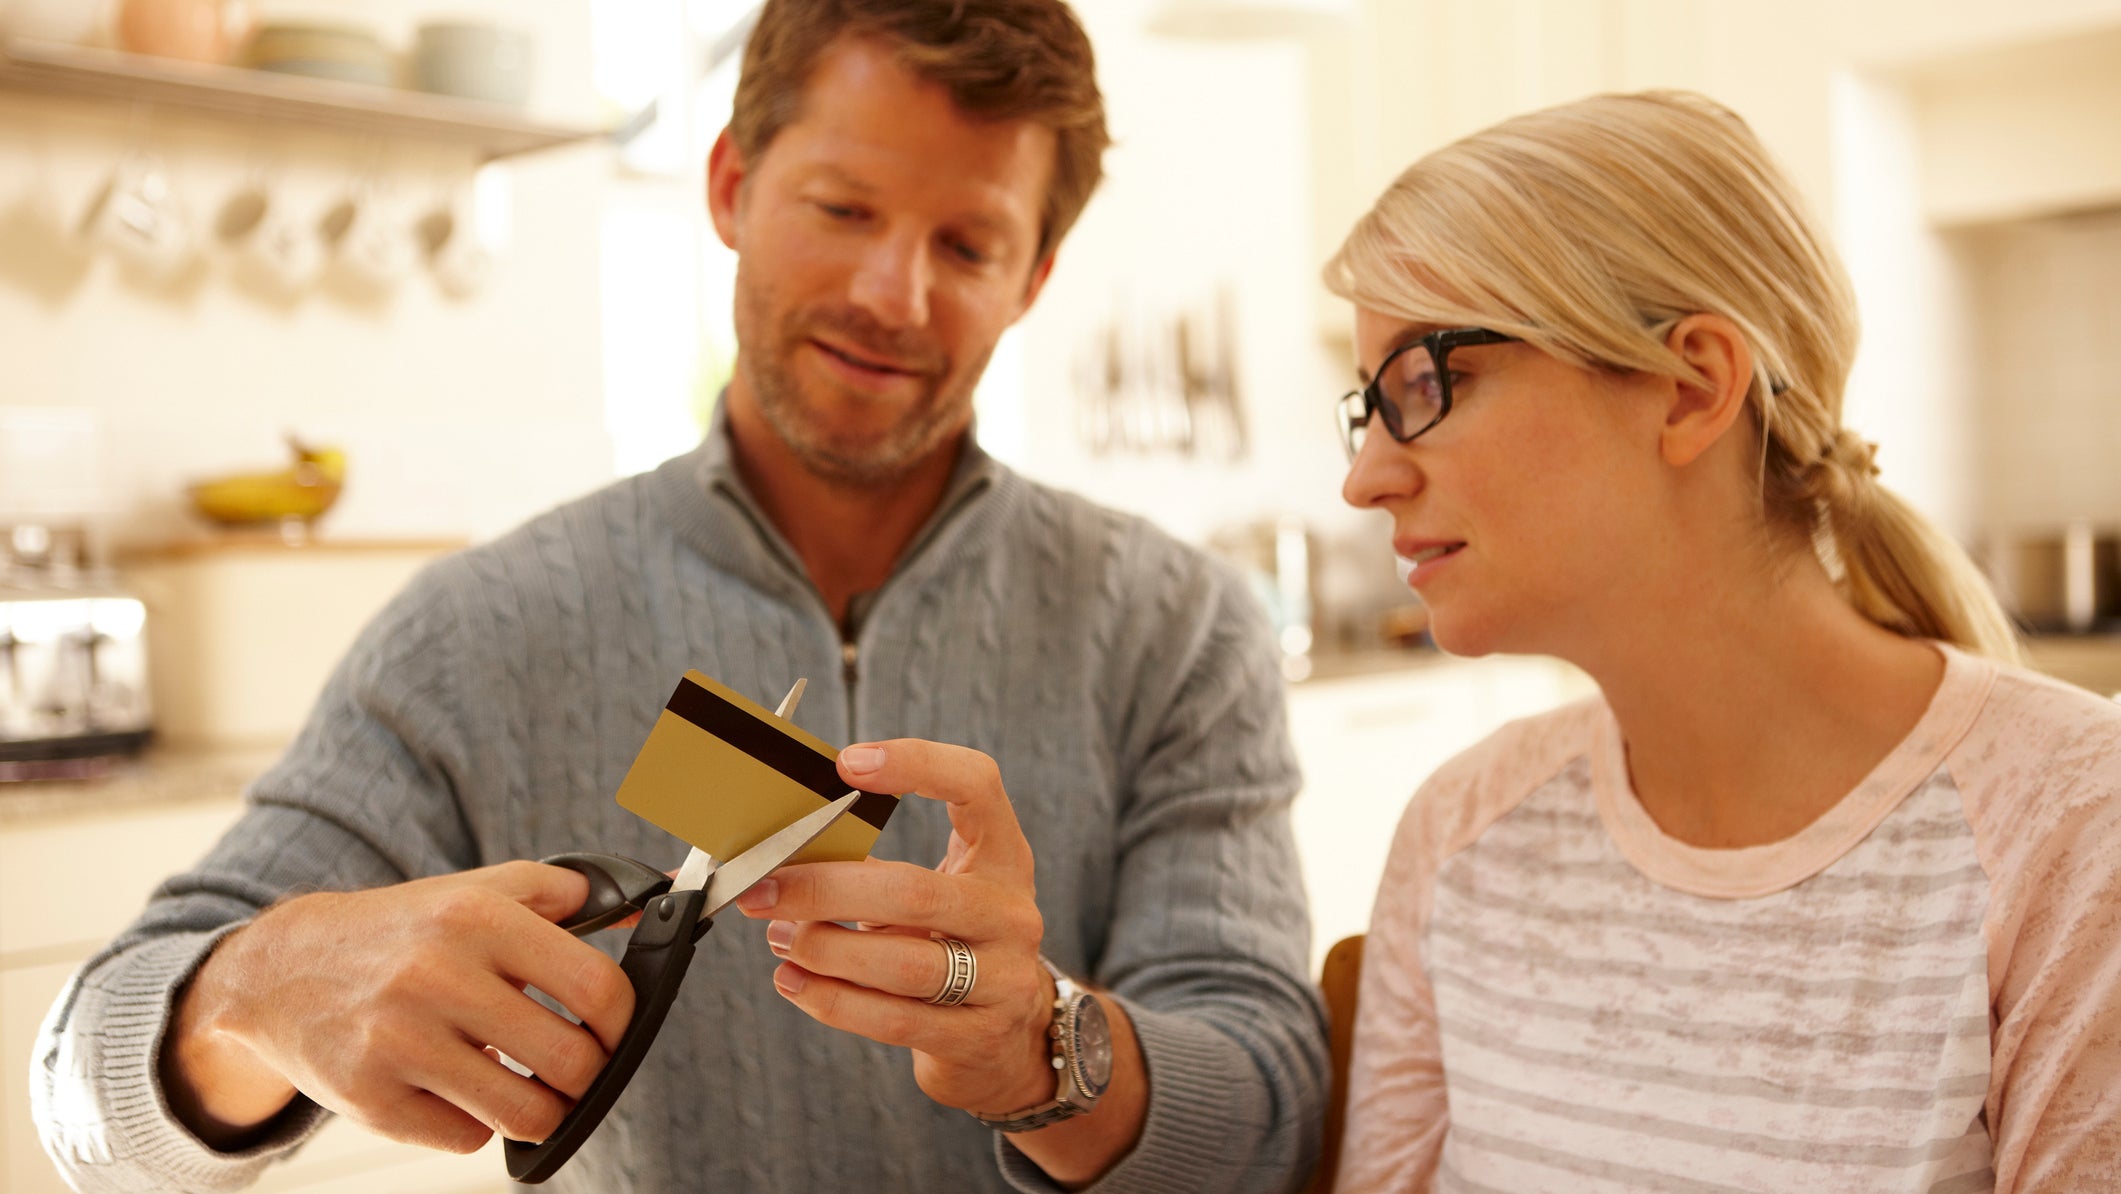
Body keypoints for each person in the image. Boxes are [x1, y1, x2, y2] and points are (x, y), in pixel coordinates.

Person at [31, 2, 1328, 1191]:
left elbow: (1276, 1118)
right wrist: (252, 987)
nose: (892, 294)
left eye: (967, 243)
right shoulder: (482, 630)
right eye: (843, 208)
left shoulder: (1179, 630)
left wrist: (1048, 1046)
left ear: (1033, 276)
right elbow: (79, 1094)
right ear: (729, 185)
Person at [1322, 91, 2121, 1193]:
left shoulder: (2076, 833)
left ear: (1692, 387)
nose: (1365, 477)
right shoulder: (1459, 833)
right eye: (1366, 408)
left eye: (1425, 382)